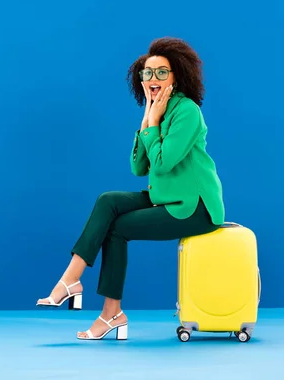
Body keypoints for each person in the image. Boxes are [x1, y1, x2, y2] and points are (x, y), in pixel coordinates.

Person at [36, 37, 225, 341]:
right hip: (166, 198)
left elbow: (162, 164)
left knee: (118, 228)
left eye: (162, 72)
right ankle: (72, 280)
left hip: (194, 207)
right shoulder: (156, 110)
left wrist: (151, 124)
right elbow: (139, 169)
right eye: (147, 73)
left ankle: (110, 312)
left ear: (177, 75)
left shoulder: (186, 112)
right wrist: (147, 119)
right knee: (108, 201)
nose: (153, 79)